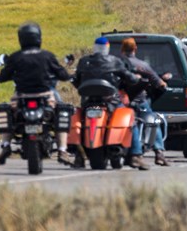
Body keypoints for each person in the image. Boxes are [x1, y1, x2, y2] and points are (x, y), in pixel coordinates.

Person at [0, 22, 72, 165]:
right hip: (45, 96)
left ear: (21, 39)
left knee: (8, 114)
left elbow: (3, 77)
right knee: (62, 111)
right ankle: (62, 150)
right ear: (38, 38)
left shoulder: (16, 57)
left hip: (21, 97)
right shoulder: (47, 56)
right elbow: (62, 74)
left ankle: (5, 146)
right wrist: (66, 75)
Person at [71, 38, 146, 170]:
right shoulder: (115, 61)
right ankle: (135, 155)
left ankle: (79, 155)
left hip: (88, 101)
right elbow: (130, 78)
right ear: (107, 47)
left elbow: (76, 81)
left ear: (94, 47)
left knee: (80, 121)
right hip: (110, 101)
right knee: (131, 120)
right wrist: (136, 78)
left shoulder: (84, 61)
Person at [120, 38, 169, 166]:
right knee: (153, 122)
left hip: (123, 102)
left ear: (122, 49)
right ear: (135, 48)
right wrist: (163, 83)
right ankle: (159, 153)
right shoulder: (143, 65)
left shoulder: (119, 64)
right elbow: (158, 82)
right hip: (140, 100)